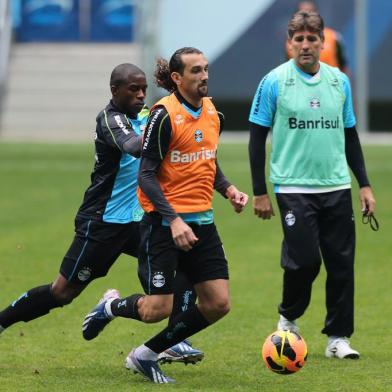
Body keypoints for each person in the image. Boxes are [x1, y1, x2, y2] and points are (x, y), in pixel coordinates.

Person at [0, 63, 202, 363]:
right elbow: (134, 146)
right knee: (62, 292)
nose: (140, 95)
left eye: (143, 89)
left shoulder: (148, 114)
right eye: (133, 89)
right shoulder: (109, 120)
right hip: (102, 223)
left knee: (188, 258)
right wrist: (160, 134)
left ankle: (174, 338)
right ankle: (4, 320)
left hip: (139, 222)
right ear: (115, 91)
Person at [83, 47, 248, 383]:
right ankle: (111, 306)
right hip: (164, 226)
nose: (204, 76)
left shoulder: (212, 111)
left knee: (218, 303)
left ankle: (144, 354)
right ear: (177, 78)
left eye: (205, 69)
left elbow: (206, 160)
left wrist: (229, 190)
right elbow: (146, 174)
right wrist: (173, 219)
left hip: (202, 224)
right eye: (195, 71)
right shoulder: (163, 115)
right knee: (158, 309)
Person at [249, 11, 376, 359]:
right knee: (305, 262)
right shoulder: (274, 81)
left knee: (341, 264)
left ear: (324, 42)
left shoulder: (339, 82)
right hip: (293, 187)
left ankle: (338, 338)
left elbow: (350, 136)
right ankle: (288, 316)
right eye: (299, 39)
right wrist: (260, 191)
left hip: (336, 186)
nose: (306, 45)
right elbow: (257, 139)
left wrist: (363, 184)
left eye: (312, 38)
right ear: (289, 44)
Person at [286, 1, 349, 73]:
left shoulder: (334, 37)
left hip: (330, 83)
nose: (306, 17)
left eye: (310, 12)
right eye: (302, 14)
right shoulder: (290, 43)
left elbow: (344, 67)